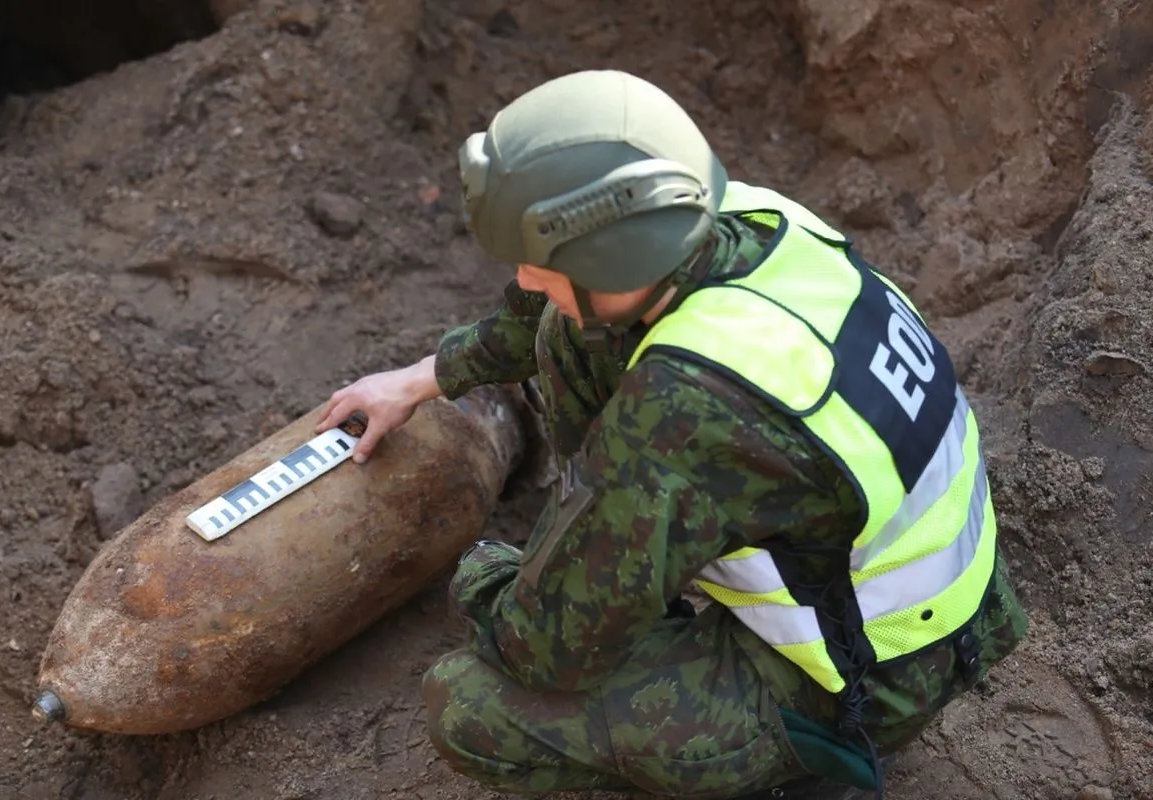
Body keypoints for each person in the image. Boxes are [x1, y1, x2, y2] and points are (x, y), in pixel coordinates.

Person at [314, 69, 1028, 800]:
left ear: (611, 261)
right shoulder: (740, 220)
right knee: (570, 328)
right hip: (923, 594)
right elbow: (541, 314)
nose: (524, 278)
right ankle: (621, 558)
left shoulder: (687, 403)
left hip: (866, 678)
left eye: (538, 262)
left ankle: (811, 764)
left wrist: (484, 577)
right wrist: (423, 378)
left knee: (467, 705)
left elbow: (547, 650)